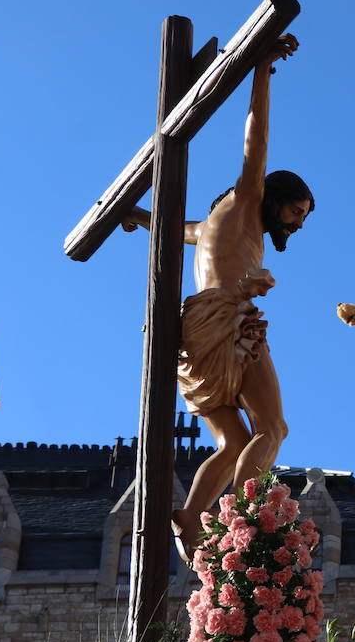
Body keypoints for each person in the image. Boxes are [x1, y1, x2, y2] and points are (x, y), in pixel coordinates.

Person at [124, 35, 313, 557]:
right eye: (298, 211)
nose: (297, 224)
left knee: (232, 440)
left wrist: (137, 217)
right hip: (230, 317)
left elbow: (172, 227)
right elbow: (257, 142)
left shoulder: (213, 223)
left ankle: (190, 514)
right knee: (272, 427)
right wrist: (261, 70)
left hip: (194, 326)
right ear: (276, 195)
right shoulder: (249, 197)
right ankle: (243, 518)